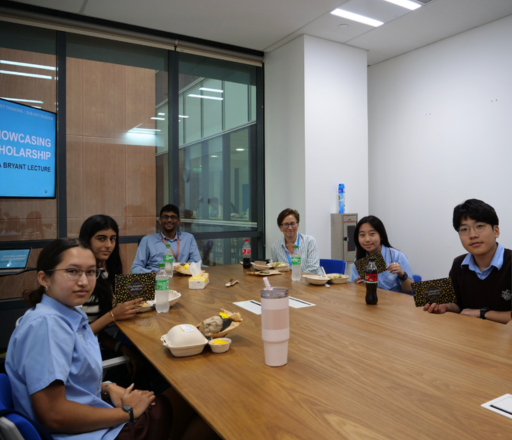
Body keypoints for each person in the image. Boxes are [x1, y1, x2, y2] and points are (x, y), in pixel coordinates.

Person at [424, 199, 511, 324]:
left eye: (479, 226)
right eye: (464, 229)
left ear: (496, 231)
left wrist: (481, 313)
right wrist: (446, 306)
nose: (472, 235)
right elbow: (459, 305)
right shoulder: (459, 264)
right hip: (468, 332)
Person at [79, 215, 144, 381]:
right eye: (101, 238)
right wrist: (113, 315)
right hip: (83, 359)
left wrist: (120, 347)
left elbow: (96, 332)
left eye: (112, 239)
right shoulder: (80, 280)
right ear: (87, 240)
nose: (108, 245)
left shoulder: (102, 272)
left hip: (98, 344)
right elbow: (77, 336)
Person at [350, 215, 414, 293]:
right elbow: (356, 290)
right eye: (362, 235)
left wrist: (401, 274)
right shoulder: (359, 260)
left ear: (381, 236)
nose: (367, 239)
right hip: (369, 299)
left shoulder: (397, 256)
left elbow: (409, 289)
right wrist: (357, 286)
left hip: (392, 300)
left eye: (372, 234)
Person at [132, 204, 201, 273]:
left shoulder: (188, 238)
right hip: (157, 277)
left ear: (178, 221)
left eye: (173, 217)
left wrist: (183, 270)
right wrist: (154, 273)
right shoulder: (147, 240)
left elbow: (197, 263)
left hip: (180, 276)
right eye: (165, 217)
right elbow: (135, 269)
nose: (169, 220)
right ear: (160, 220)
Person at [270, 208, 322, 275]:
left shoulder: (310, 241)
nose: (290, 227)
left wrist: (296, 277)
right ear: (280, 227)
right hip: (288, 281)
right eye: (286, 224)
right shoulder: (275, 247)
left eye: (293, 224)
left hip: (312, 280)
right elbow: (276, 269)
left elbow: (313, 269)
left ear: (298, 225)